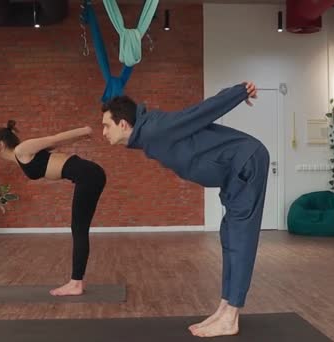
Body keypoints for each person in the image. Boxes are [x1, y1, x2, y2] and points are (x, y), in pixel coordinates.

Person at [100, 81, 269, 338]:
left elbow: (200, 112)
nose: (103, 132)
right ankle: (225, 308)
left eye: (106, 125)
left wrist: (239, 92)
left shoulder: (155, 128)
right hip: (233, 172)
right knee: (229, 238)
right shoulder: (147, 135)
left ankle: (231, 316)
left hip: (246, 162)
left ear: (123, 124)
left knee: (241, 239)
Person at [0, 120, 106, 296]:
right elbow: (57, 145)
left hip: (88, 175)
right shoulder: (22, 156)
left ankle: (75, 283)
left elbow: (54, 139)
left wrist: (84, 131)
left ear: (1, 144)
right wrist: (81, 137)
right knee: (79, 228)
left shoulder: (22, 150)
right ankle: (76, 282)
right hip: (88, 175)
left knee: (79, 229)